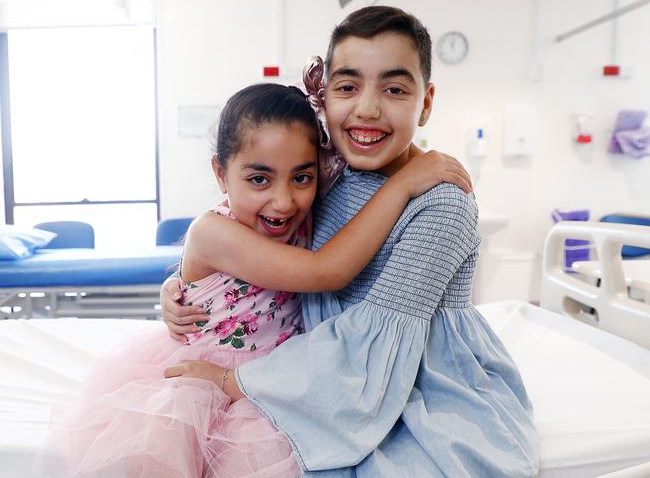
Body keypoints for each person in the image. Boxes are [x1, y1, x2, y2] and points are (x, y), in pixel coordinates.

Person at [163, 6, 539, 477]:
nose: (366, 108)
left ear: (426, 103)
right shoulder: (329, 170)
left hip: (398, 380)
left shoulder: (443, 206)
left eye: (395, 89)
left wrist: (232, 380)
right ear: (325, 99)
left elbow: (369, 345)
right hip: (316, 364)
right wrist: (183, 285)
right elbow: (251, 240)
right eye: (347, 87)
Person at [43, 82, 470, 478]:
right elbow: (326, 271)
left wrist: (405, 153)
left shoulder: (302, 206)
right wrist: (403, 186)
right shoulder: (212, 232)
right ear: (219, 172)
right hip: (205, 380)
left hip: (274, 379)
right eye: (258, 178)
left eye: (302, 177)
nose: (283, 202)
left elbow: (361, 147)